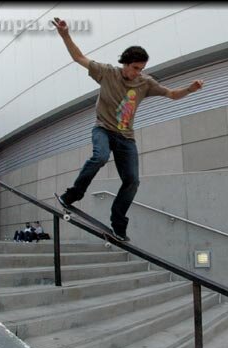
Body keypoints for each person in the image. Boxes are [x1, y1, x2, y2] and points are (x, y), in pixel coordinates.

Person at [51, 17, 204, 241]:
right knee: (100, 157)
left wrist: (190, 89)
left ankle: (118, 223)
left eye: (141, 69)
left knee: (132, 180)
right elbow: (78, 57)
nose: (138, 73)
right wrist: (65, 34)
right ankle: (73, 194)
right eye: (135, 68)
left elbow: (171, 94)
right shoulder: (107, 72)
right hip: (102, 129)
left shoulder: (146, 82)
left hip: (126, 139)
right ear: (125, 63)